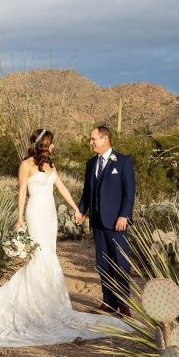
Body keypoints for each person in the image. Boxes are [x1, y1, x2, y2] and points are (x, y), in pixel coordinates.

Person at [0, 128, 131, 347]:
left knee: (50, 256)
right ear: (44, 143)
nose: (53, 146)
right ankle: (35, 303)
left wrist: (76, 209)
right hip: (35, 213)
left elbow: (62, 187)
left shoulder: (51, 165)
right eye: (51, 143)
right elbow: (22, 192)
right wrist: (19, 219)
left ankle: (52, 302)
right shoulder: (25, 165)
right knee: (39, 256)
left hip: (51, 215)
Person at [77, 125, 136, 317]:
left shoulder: (123, 162)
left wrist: (124, 215)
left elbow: (129, 192)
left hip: (117, 222)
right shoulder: (89, 164)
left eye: (93, 139)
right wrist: (81, 211)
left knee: (120, 262)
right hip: (98, 222)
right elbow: (87, 192)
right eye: (91, 139)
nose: (91, 142)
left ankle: (124, 304)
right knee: (103, 263)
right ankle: (108, 302)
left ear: (105, 139)